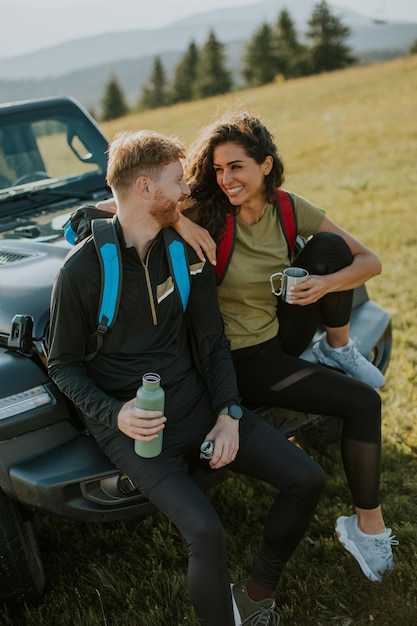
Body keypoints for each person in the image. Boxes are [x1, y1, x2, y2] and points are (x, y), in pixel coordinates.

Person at [48, 129, 325, 626]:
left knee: (305, 478)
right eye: (177, 181)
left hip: (198, 405)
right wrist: (118, 415)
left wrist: (228, 414)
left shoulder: (184, 251)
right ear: (145, 189)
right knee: (206, 532)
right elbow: (62, 364)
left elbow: (212, 344)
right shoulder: (82, 273)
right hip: (134, 431)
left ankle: (256, 594)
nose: (186, 192)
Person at [171, 110, 398, 583]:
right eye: (218, 169)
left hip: (280, 334)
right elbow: (126, 206)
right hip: (238, 360)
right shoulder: (208, 212)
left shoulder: (289, 207)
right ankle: (367, 529)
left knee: (331, 251)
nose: (226, 178)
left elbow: (369, 261)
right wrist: (179, 218)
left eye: (237, 167)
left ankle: (337, 350)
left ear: (266, 165)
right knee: (362, 403)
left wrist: (324, 284)